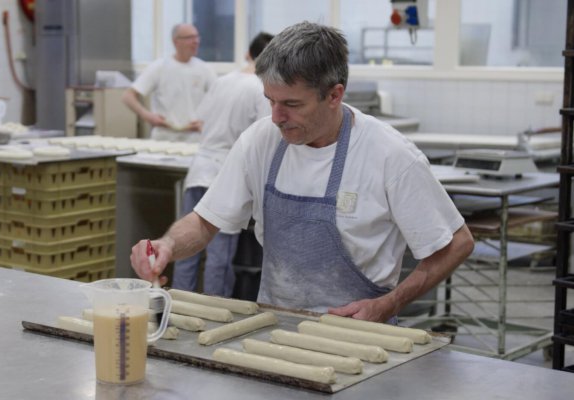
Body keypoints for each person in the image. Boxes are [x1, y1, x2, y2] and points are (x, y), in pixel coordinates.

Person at [131, 21, 474, 323]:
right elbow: (206, 221)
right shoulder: (261, 140)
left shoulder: (390, 155)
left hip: (359, 337)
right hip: (272, 331)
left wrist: (387, 304)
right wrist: (167, 245)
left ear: (334, 95)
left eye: (292, 104)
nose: (277, 116)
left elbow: (457, 243)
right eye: (270, 101)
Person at [171, 32, 274, 297]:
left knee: (186, 251)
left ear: (247, 54)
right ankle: (213, 316)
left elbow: (201, 121)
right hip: (226, 175)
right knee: (219, 257)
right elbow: (269, 135)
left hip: (199, 170)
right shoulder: (261, 89)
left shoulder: (222, 81)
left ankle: (180, 306)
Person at [122, 23, 216, 142]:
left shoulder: (205, 69)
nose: (196, 41)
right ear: (176, 42)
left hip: (194, 138)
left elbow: (220, 100)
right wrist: (148, 116)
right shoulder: (159, 67)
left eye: (197, 37)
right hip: (164, 136)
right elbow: (127, 96)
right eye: (190, 38)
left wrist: (207, 122)